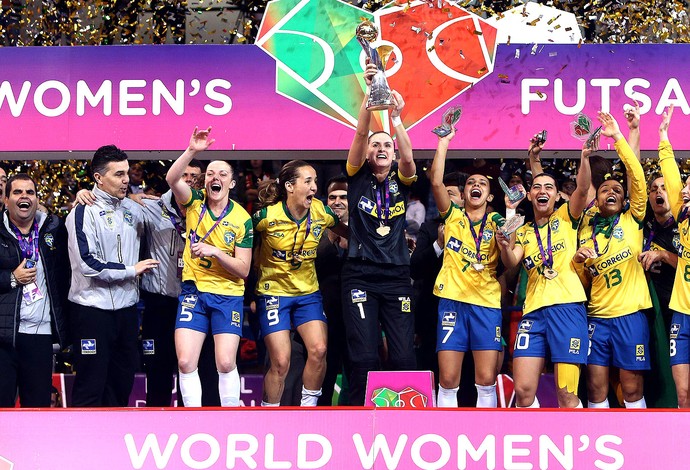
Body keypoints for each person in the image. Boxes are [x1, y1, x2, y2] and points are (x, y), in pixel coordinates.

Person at [497, 132, 592, 408]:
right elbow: (510, 261)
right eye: (537, 187)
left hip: (568, 309)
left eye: (549, 188)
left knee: (567, 395)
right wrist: (505, 238)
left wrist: (583, 157)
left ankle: (574, 448)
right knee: (524, 393)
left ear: (557, 195)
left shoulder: (566, 217)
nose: (543, 191)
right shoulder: (523, 229)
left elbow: (583, 191)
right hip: (533, 313)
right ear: (529, 194)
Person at [342, 61, 417, 405]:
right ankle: (355, 418)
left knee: (402, 357)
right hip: (360, 276)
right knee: (364, 357)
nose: (381, 148)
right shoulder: (357, 178)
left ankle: (405, 417)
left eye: (387, 144)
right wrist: (371, 99)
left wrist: (397, 118)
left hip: (398, 276)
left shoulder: (402, 180)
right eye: (376, 145)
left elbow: (409, 156)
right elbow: (360, 134)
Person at [66, 145, 160, 407]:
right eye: (118, 174)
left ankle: (113, 445)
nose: (127, 179)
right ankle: (83, 446)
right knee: (91, 385)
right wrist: (132, 270)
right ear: (98, 178)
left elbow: (174, 208)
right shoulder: (83, 211)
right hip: (92, 311)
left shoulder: (133, 208)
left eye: (127, 173)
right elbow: (88, 263)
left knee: (122, 384)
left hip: (127, 311)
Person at [166, 127, 253, 407]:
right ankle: (193, 418)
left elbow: (243, 269)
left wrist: (215, 252)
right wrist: (192, 150)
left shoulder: (242, 219)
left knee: (226, 362)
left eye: (223, 174)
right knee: (185, 360)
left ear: (232, 183)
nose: (216, 178)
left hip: (228, 294)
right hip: (194, 291)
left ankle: (230, 417)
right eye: (211, 174)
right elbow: (171, 178)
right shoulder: (194, 203)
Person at [574, 111, 650, 409]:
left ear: (624, 199)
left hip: (630, 315)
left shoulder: (633, 220)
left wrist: (620, 135)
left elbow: (637, 178)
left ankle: (642, 448)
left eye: (618, 190)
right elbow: (580, 278)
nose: (612, 192)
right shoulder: (586, 226)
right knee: (595, 390)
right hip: (596, 317)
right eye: (605, 188)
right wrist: (580, 260)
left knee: (631, 389)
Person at [253, 160, 344, 407]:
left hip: (308, 293)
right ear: (290, 186)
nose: (315, 187)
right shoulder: (265, 218)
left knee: (319, 350)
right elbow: (244, 249)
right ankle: (269, 413)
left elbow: (348, 232)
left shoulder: (321, 212)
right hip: (273, 293)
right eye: (308, 181)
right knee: (281, 361)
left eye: (315, 181)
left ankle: (308, 410)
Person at [429, 128, 509, 408]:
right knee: (449, 378)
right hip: (452, 302)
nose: (476, 185)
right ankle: (443, 434)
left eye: (482, 184)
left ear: (489, 196)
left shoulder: (498, 221)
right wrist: (443, 143)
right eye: (471, 183)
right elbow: (437, 183)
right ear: (462, 194)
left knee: (486, 378)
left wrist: (508, 223)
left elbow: (511, 256)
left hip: (486, 304)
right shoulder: (452, 216)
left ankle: (486, 435)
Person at [0, 174, 69, 408]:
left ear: (37, 199)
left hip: (40, 335)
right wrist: (11, 278)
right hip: (4, 336)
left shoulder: (54, 229)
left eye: (30, 192)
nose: (24, 197)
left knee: (37, 408)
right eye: (17, 192)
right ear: (6, 198)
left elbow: (66, 277)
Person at [655, 105, 690, 407]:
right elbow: (671, 175)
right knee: (683, 395)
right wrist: (664, 137)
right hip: (682, 314)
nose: (685, 190)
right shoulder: (683, 218)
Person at [315, 175, 350, 405]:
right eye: (332, 197)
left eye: (344, 197)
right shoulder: (315, 230)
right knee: (325, 373)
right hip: (324, 313)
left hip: (356, 314)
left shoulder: (364, 229)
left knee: (358, 371)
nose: (337, 201)